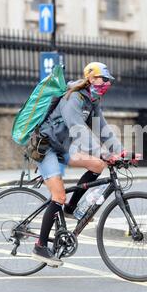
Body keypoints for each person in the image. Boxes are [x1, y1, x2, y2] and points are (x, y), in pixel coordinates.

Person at [32, 62, 124, 267]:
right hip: (45, 147)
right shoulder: (73, 98)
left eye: (108, 80)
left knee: (98, 166)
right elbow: (77, 128)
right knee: (58, 196)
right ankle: (39, 246)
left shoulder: (92, 100)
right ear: (91, 78)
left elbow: (102, 128)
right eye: (104, 79)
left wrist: (121, 152)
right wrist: (102, 152)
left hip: (62, 148)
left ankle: (71, 208)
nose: (107, 83)